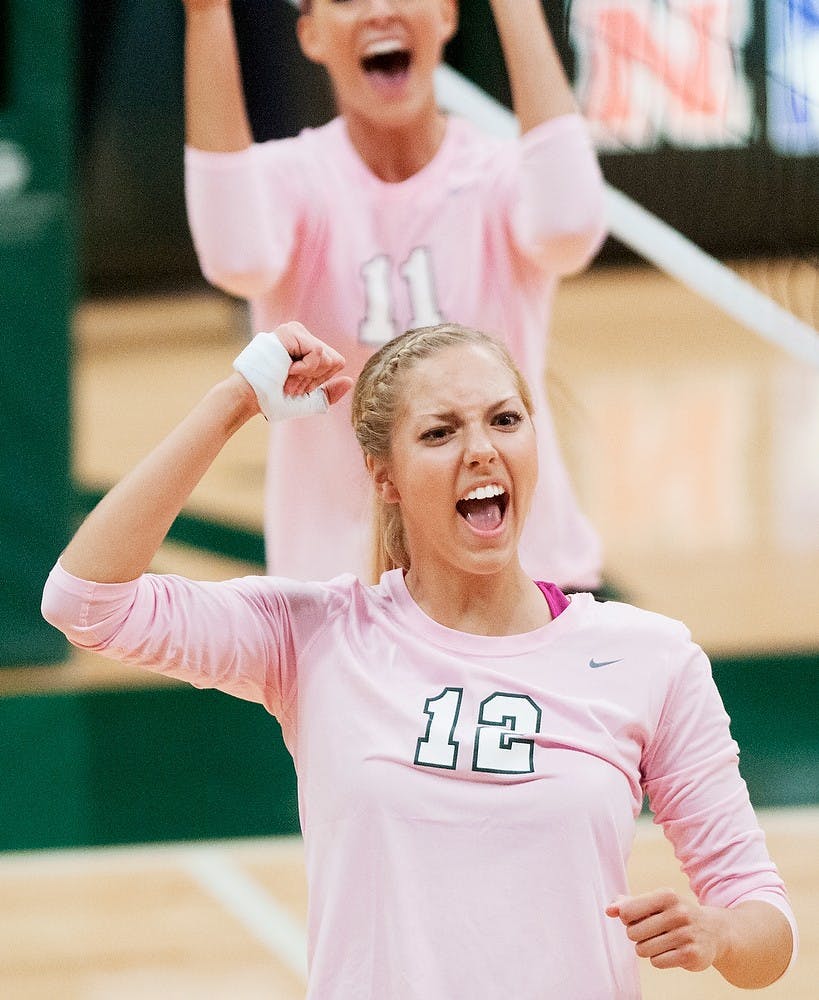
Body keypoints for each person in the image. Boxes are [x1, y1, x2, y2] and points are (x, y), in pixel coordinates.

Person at [42, 322, 796, 998]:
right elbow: (84, 603)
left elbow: (764, 925)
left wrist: (720, 935)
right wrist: (232, 403)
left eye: (505, 420)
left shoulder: (648, 658)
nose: (480, 449)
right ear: (384, 477)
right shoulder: (315, 637)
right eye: (439, 433)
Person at [181, 0, 608, 588]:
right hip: (344, 599)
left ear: (447, 16)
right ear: (310, 35)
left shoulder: (495, 177)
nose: (380, 10)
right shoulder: (293, 181)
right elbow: (235, 257)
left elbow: (572, 226)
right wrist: (206, 15)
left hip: (524, 585)